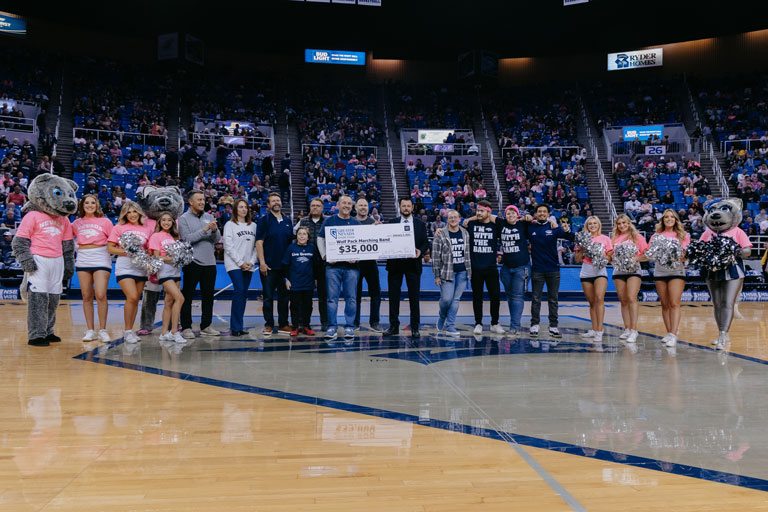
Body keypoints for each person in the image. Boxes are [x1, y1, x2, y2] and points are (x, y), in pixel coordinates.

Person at [107, 201, 154, 343]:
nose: (132, 215)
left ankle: (130, 330)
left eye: (134, 212)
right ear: (125, 214)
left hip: (141, 268)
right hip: (125, 266)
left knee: (135, 300)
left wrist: (147, 255)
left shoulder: (147, 228)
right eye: (128, 212)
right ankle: (127, 331)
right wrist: (129, 251)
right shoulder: (119, 228)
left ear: (139, 213)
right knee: (132, 296)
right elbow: (110, 248)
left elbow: (149, 249)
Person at [382, 197, 429, 339]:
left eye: (408, 206)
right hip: (395, 264)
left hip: (413, 264)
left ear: (412, 207)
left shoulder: (420, 224)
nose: (406, 208)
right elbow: (385, 240)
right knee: (393, 297)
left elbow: (425, 243)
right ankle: (393, 326)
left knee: (414, 298)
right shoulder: (392, 223)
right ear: (400, 207)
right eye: (404, 206)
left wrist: (420, 251)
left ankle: (415, 327)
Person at [317, 195, 361, 340]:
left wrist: (357, 257)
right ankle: (332, 326)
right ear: (338, 204)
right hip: (332, 267)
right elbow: (320, 238)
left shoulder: (356, 223)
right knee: (331, 299)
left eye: (349, 203)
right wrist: (325, 255)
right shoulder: (330, 221)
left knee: (351, 298)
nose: (347, 205)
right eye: (344, 203)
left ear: (352, 206)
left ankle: (349, 327)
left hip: (351, 267)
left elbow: (362, 244)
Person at [179, 190, 221, 339]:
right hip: (192, 262)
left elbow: (216, 240)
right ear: (190, 202)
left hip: (210, 262)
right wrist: (205, 230)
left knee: (208, 296)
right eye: (199, 200)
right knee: (187, 295)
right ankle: (186, 327)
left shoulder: (209, 217)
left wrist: (215, 231)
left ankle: (206, 326)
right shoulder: (183, 219)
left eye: (203, 200)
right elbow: (187, 239)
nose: (202, 202)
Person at [71, 194, 113, 343]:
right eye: (86, 203)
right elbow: (68, 239)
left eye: (92, 203)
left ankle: (102, 330)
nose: (89, 205)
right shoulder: (76, 223)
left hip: (100, 256)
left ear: (97, 205)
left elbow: (113, 240)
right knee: (86, 296)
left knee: (100, 294)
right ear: (82, 206)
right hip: (83, 257)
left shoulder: (105, 222)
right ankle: (90, 330)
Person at [528, 204, 573, 338]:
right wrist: (527, 218)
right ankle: (534, 324)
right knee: (536, 299)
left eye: (544, 212)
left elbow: (569, 237)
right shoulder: (530, 227)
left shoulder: (554, 227)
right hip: (537, 269)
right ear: (536, 214)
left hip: (553, 269)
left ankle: (553, 326)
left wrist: (566, 229)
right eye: (539, 211)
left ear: (548, 214)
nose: (541, 213)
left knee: (553, 299)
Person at [461, 200, 504, 335]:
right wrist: (472, 218)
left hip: (491, 267)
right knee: (477, 297)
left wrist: (474, 216)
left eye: (481, 211)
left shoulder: (495, 225)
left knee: (495, 296)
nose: (478, 213)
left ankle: (494, 323)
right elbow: (459, 225)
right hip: (476, 268)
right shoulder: (471, 224)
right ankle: (478, 323)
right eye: (477, 211)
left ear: (489, 212)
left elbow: (502, 221)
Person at [649, 209, 690, 348]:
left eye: (672, 217)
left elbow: (685, 256)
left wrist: (673, 254)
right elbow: (650, 254)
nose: (669, 219)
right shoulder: (656, 235)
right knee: (665, 304)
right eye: (666, 217)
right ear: (662, 220)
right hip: (660, 271)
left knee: (674, 303)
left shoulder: (683, 235)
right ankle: (668, 332)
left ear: (676, 219)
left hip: (676, 270)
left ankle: (673, 334)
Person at [256, 192, 294, 336]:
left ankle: (283, 324)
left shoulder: (287, 221)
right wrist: (262, 263)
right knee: (268, 297)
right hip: (269, 266)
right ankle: (269, 324)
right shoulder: (264, 220)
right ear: (268, 204)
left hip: (285, 267)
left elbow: (290, 244)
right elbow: (259, 242)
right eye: (273, 201)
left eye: (278, 200)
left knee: (285, 297)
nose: (276, 202)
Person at [574, 216, 613, 342]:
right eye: (590, 224)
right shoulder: (582, 239)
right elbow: (577, 259)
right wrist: (584, 248)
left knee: (599, 299)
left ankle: (599, 331)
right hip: (586, 272)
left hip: (600, 271)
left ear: (599, 225)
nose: (592, 225)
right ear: (587, 226)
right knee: (592, 303)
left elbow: (610, 258)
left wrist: (599, 256)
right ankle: (594, 329)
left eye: (595, 223)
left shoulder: (605, 239)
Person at [610, 214, 648, 344]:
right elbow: (611, 255)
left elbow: (646, 254)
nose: (622, 226)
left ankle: (634, 330)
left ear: (629, 223)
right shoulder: (614, 238)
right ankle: (627, 328)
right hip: (618, 271)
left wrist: (635, 258)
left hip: (634, 270)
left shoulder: (638, 237)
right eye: (619, 223)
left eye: (624, 223)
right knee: (623, 300)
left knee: (632, 298)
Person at [431, 209, 471, 336]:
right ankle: (442, 315)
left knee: (456, 300)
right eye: (450, 218)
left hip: (462, 272)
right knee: (447, 299)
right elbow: (436, 256)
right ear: (446, 220)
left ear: (460, 219)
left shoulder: (465, 233)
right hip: (447, 272)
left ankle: (450, 325)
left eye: (455, 217)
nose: (453, 219)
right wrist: (436, 275)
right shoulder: (440, 234)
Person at [148, 212, 185, 344]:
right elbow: (156, 257)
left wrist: (180, 259)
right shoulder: (156, 236)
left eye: (169, 220)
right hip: (164, 272)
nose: (166, 222)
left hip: (176, 272)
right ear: (159, 222)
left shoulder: (174, 237)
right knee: (180, 298)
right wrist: (173, 258)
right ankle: (175, 331)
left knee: (169, 302)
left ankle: (164, 333)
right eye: (163, 220)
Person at [223, 199, 257, 336]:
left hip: (248, 264)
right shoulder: (230, 225)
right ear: (235, 209)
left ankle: (239, 326)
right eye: (241, 207)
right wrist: (240, 262)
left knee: (243, 294)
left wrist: (252, 262)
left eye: (246, 207)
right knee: (239, 290)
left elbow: (256, 246)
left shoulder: (253, 225)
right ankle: (235, 327)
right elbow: (228, 246)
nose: (244, 209)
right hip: (234, 264)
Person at [496, 205, 531, 336]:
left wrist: (530, 217)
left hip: (521, 267)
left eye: (513, 213)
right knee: (510, 297)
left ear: (518, 215)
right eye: (508, 213)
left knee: (517, 296)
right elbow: (488, 214)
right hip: (506, 268)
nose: (511, 216)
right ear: (505, 215)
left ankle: (514, 326)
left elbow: (538, 220)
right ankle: (514, 323)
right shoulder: (501, 224)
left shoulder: (523, 224)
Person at [296, 198, 328, 330]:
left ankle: (325, 322)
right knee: (304, 296)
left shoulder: (328, 221)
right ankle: (302, 322)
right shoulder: (302, 221)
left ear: (322, 208)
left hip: (323, 264)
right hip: (306, 264)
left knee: (324, 296)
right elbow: (295, 238)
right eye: (313, 205)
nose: (315, 207)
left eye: (318, 206)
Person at [353, 197, 382, 332]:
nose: (363, 207)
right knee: (355, 295)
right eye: (361, 205)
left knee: (375, 294)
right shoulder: (351, 222)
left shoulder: (374, 223)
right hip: (355, 264)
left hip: (371, 263)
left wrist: (381, 230)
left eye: (365, 205)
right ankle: (354, 322)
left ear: (368, 207)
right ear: (356, 207)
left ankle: (374, 322)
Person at [283, 226, 316, 336]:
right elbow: (285, 265)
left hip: (308, 283)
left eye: (304, 234)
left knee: (308, 306)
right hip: (294, 283)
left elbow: (316, 265)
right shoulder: (291, 248)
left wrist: (315, 279)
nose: (302, 236)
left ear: (308, 237)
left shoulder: (312, 248)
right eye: (299, 234)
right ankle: (295, 326)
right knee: (294, 306)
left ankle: (306, 326)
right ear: (296, 236)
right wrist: (286, 280)